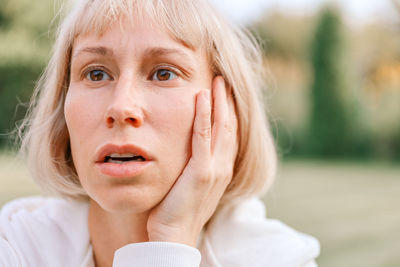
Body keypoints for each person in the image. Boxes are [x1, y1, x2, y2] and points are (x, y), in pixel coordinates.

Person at [0, 0, 320, 266]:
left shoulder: (281, 259)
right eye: (96, 73)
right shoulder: (17, 247)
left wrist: (171, 238)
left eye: (163, 73)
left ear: (226, 111)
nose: (122, 107)